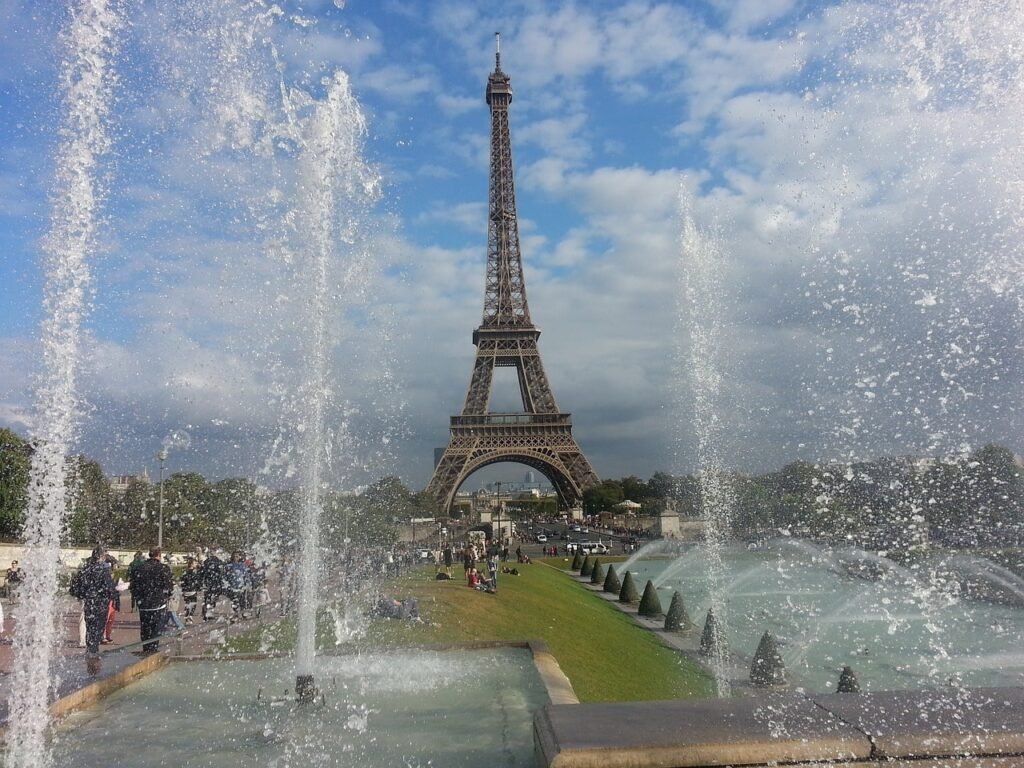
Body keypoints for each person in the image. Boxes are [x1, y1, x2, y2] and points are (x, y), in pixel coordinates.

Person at [69, 548, 118, 656]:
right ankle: (93, 652)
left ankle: (91, 650)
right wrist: (112, 594)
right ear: (101, 557)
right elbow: (110, 589)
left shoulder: (85, 570)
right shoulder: (103, 571)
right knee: (98, 629)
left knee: (90, 627)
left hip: (89, 603)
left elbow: (74, 588)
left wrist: (83, 595)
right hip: (100, 604)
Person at [133, 547, 173, 652]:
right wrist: (166, 595)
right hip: (158, 603)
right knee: (156, 629)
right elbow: (169, 586)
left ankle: (146, 649)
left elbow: (134, 586)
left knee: (145, 628)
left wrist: (138, 599)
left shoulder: (140, 568)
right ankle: (153, 650)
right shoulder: (163, 568)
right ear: (159, 555)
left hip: (143, 604)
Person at [200, 550, 224, 621]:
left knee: (209, 598)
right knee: (212, 598)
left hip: (210, 583)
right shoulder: (218, 561)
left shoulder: (206, 562)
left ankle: (207, 612)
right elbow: (221, 572)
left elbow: (203, 572)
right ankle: (208, 613)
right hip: (215, 583)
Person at [180, 557, 202, 625]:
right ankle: (190, 616)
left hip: (186, 591)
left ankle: (187, 618)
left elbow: (182, 581)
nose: (196, 564)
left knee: (187, 604)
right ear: (192, 564)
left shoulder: (184, 572)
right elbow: (197, 582)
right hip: (192, 591)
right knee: (193, 604)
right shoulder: (194, 573)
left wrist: (183, 589)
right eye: (195, 563)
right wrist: (199, 588)